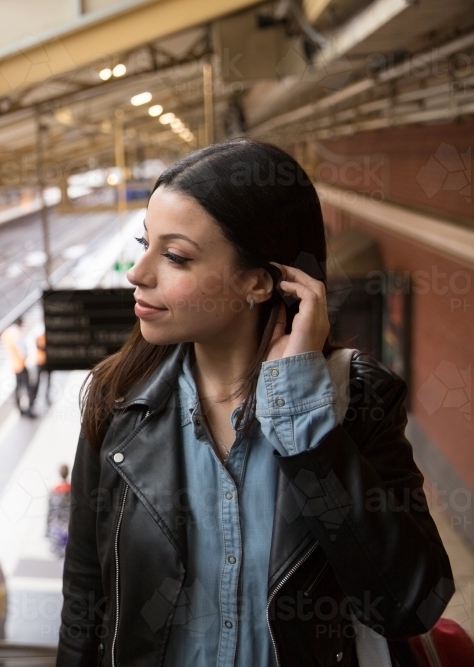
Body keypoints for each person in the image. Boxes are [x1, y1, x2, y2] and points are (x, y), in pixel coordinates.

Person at [58, 138, 453, 667]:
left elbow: (409, 603)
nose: (138, 271)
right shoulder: (117, 402)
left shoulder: (355, 399)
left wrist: (302, 421)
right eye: (144, 242)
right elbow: (86, 600)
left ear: (259, 282)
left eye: (174, 256)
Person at [1, 316, 35, 418]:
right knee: (28, 386)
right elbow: (21, 350)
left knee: (18, 386)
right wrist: (26, 358)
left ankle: (18, 407)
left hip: (13, 363)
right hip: (20, 363)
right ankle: (29, 408)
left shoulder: (6, 332)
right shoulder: (16, 334)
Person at [47, 463, 71, 558]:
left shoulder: (54, 491)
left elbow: (49, 511)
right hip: (70, 527)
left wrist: (47, 530)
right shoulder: (73, 490)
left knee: (60, 556)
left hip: (57, 528)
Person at [28, 328, 51, 409]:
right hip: (40, 362)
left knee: (48, 381)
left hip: (47, 362)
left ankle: (47, 397)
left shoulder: (47, 337)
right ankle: (32, 400)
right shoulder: (39, 337)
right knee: (37, 382)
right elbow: (40, 346)